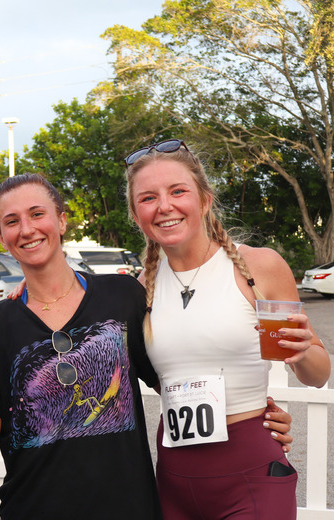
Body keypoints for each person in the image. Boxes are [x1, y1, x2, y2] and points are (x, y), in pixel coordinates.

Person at [0, 173, 162, 518]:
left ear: (62, 221)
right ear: (1, 238)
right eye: (12, 221)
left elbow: (169, 381)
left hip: (128, 508)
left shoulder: (122, 295)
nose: (27, 229)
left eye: (37, 214)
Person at [125, 138, 330, 519]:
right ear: (137, 216)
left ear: (205, 200)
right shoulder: (139, 290)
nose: (164, 206)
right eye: (148, 198)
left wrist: (303, 353)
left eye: (178, 191)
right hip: (174, 480)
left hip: (251, 473)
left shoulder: (258, 268)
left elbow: (318, 375)